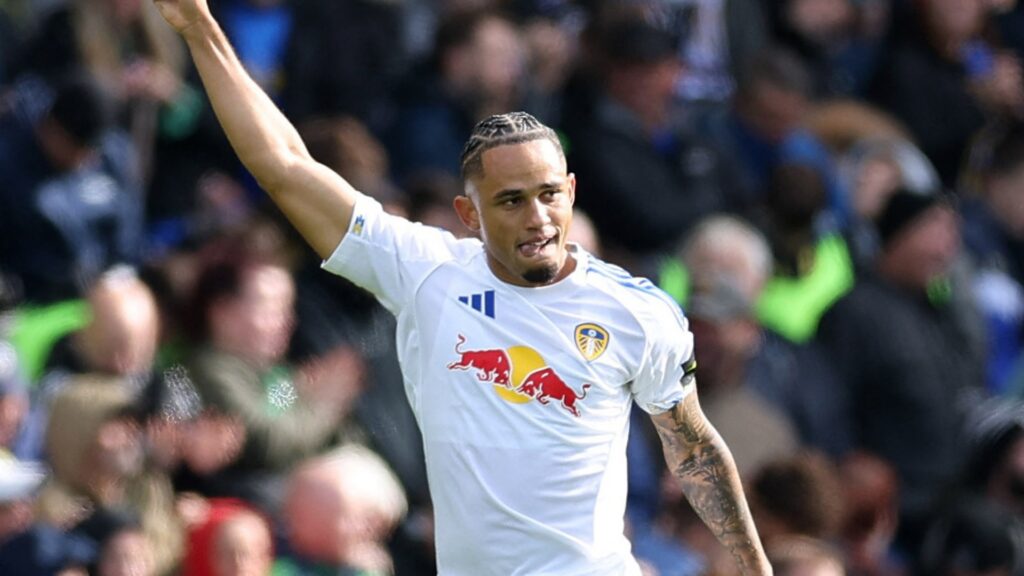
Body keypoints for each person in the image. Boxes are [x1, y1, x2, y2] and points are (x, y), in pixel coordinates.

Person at [151, 0, 772, 573]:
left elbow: (694, 450)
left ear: (571, 191)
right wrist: (201, 30)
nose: (537, 217)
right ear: (468, 214)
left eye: (549, 194)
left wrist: (755, 566)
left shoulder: (638, 311)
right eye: (511, 200)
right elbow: (285, 165)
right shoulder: (427, 271)